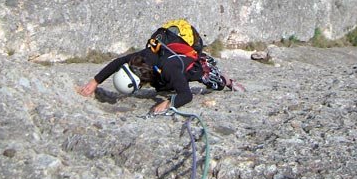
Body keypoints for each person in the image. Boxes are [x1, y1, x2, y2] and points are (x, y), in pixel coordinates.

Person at [77, 23, 243, 113]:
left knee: (208, 78)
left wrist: (169, 103)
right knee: (162, 85)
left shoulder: (170, 68)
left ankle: (226, 79)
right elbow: (118, 62)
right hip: (170, 44)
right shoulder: (142, 58)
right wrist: (94, 82)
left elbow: (186, 95)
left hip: (186, 54)